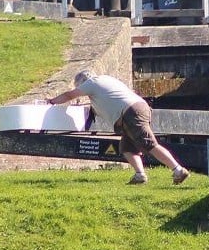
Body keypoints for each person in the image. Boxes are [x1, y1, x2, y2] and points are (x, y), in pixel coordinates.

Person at [48, 70, 190, 186]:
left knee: (149, 144)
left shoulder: (92, 83)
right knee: (127, 147)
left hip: (130, 112)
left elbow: (69, 95)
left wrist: (51, 102)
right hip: (136, 109)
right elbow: (101, 106)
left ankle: (178, 170)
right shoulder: (106, 81)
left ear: (82, 83)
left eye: (80, 87)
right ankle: (140, 175)